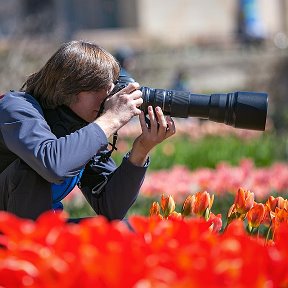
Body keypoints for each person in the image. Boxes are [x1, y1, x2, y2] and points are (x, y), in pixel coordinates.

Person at [0, 40, 176, 221]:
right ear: (68, 87)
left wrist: (140, 151)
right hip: (10, 234)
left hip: (44, 231)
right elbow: (52, 164)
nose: (108, 97)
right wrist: (111, 119)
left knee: (123, 231)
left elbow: (111, 208)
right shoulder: (16, 108)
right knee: (31, 169)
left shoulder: (83, 126)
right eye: (100, 88)